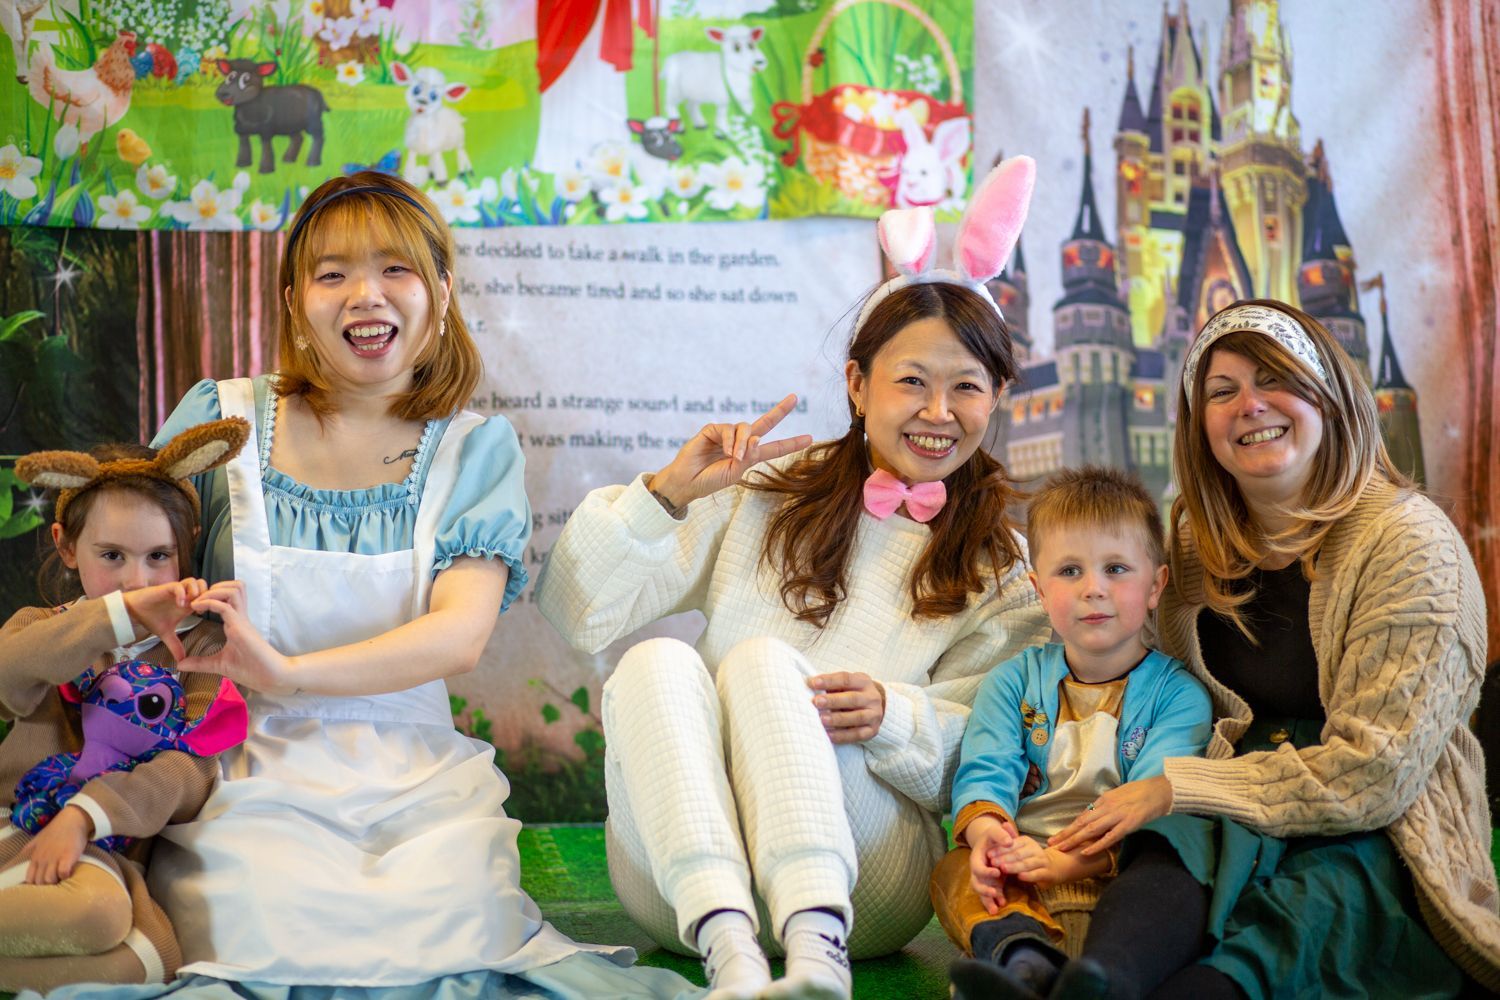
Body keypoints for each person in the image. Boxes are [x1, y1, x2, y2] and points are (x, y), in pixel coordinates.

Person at [93, 172, 692, 997]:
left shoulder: (475, 450)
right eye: (332, 273)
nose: (364, 295)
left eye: (395, 269)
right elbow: (128, 570)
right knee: (268, 924)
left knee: (456, 931)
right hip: (238, 761)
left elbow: (460, 635)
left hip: (420, 774)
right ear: (295, 301)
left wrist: (288, 671)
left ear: (440, 292)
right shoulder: (218, 420)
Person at [537, 158, 1053, 1000]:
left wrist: (894, 716)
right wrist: (665, 497)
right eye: (911, 382)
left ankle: (816, 956)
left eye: (966, 386)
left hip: (864, 887)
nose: (938, 412)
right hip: (685, 882)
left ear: (995, 397)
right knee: (654, 661)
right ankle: (733, 959)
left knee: (764, 664)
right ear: (857, 384)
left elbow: (1007, 758)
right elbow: (577, 611)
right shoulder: (768, 488)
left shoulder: (1002, 567)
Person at [1041, 300, 1500, 998]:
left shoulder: (1411, 545)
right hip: (1227, 795)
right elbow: (1114, 661)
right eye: (1222, 392)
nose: (1249, 405)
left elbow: (1375, 776)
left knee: (1302, 911)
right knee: (1173, 847)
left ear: (1329, 396)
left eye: (1274, 379)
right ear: (1200, 428)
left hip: (1382, 824)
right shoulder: (1191, 545)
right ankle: (1096, 984)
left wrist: (1179, 786)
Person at [933, 466, 1211, 1000]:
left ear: (1155, 586)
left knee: (1165, 878)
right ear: (1039, 590)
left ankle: (1066, 973)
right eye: (1069, 571)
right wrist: (990, 836)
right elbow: (987, 769)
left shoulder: (1178, 696)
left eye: (1116, 568)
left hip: (1115, 873)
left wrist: (1062, 864)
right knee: (953, 870)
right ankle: (1021, 956)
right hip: (1022, 872)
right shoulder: (1012, 682)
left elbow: (1148, 808)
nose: (1093, 589)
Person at [1, 420, 250, 992]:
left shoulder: (202, 648)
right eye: (112, 555)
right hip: (19, 823)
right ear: (66, 545)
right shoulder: (44, 627)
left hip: (107, 840)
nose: (136, 580)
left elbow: (189, 770)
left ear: (187, 547)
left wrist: (86, 814)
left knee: (153, 961)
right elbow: (8, 676)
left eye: (159, 556)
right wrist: (118, 618)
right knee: (96, 914)